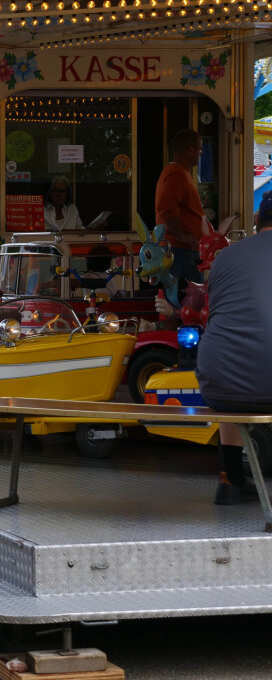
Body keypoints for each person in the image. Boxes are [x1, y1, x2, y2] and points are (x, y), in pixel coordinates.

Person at [197, 193, 272, 505]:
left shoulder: (225, 257)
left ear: (257, 221)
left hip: (219, 384)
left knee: (234, 360)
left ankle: (230, 479)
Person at [156, 129, 205, 281]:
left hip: (182, 249)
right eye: (199, 149)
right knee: (188, 299)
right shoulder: (177, 174)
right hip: (181, 251)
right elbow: (166, 206)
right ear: (191, 150)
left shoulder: (176, 173)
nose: (200, 154)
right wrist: (180, 236)